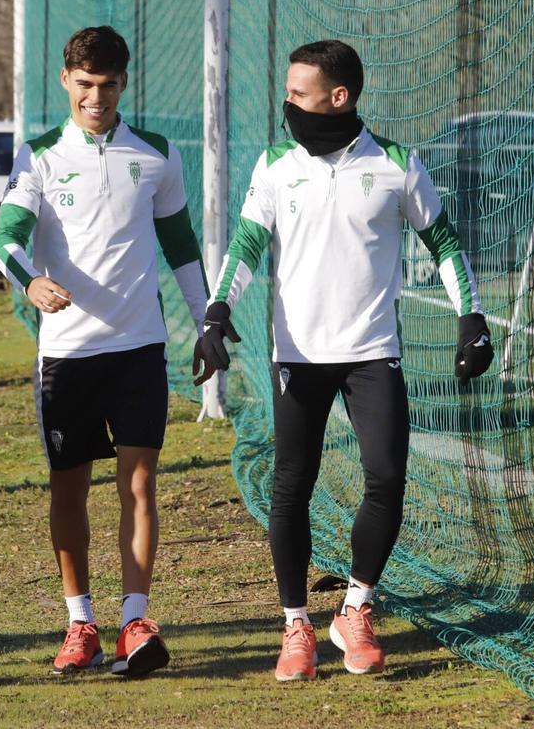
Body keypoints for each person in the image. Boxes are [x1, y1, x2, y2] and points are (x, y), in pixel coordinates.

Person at [194, 40, 493, 681]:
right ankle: (296, 624)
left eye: (299, 94)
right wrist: (217, 313)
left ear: (340, 97)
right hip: (297, 355)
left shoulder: (396, 165)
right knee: (291, 486)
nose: (288, 104)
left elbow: (441, 240)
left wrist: (471, 316)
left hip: (372, 352)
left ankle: (355, 608)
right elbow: (246, 243)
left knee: (386, 477)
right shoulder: (276, 165)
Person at [0, 26, 211, 677]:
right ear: (66, 80)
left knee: (139, 481)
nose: (96, 96)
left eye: (108, 84)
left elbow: (181, 246)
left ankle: (137, 618)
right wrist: (29, 280)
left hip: (140, 348)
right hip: (66, 355)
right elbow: (5, 237)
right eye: (85, 84)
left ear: (123, 83)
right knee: (70, 486)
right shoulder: (37, 158)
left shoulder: (157, 155)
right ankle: (80, 619)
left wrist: (206, 323)